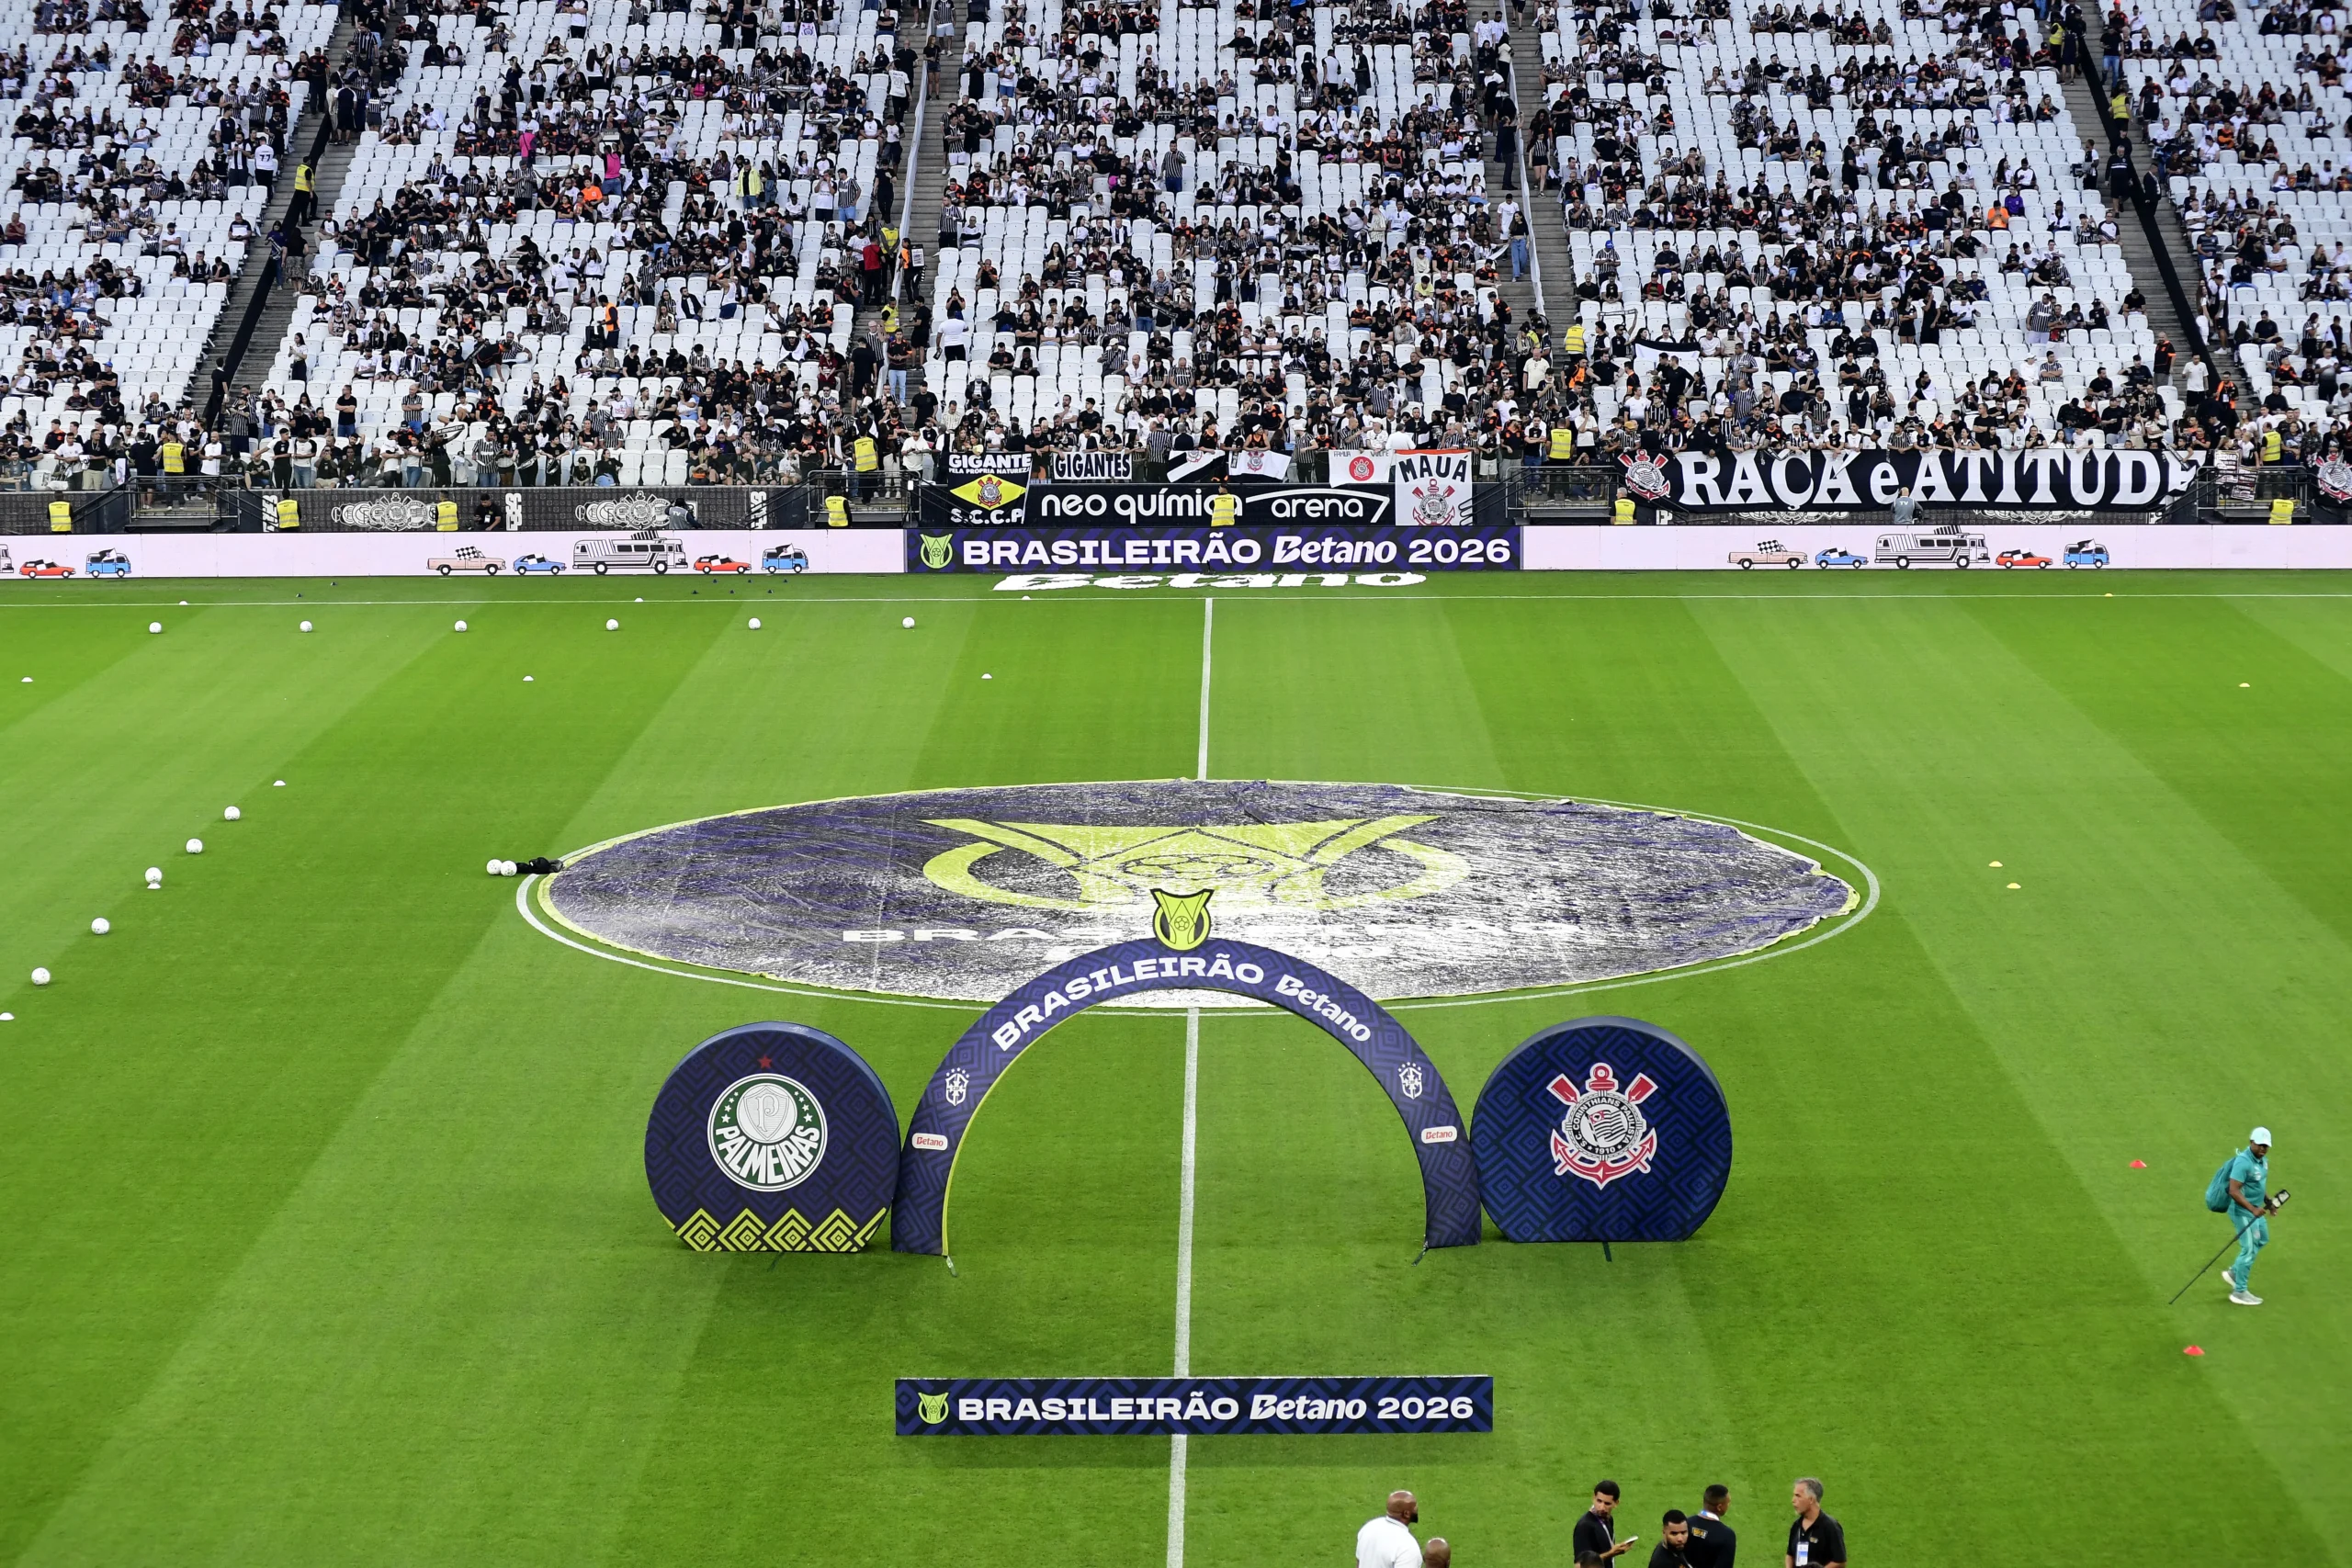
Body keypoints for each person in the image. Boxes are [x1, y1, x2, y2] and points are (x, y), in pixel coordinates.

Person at [2220, 1126, 2275, 1304]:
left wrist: (2268, 1202)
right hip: (2242, 1211)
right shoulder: (2243, 1162)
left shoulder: (2263, 1161)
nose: (2263, 1149)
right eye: (2260, 1145)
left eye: (2266, 1146)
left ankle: (2235, 1272)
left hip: (2255, 1209)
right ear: (2251, 1142)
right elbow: (2233, 1191)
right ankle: (2239, 1292)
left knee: (2263, 1239)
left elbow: (2259, 1184)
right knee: (2249, 1249)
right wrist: (2252, 1209)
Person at [1784, 1479, 1844, 1568]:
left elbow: (1840, 1561)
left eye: (1798, 1496)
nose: (1793, 1500)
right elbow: (1790, 1555)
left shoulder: (1830, 1526)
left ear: (1811, 1499)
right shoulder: (1796, 1526)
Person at [1358, 1490, 1422, 1568]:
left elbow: (1359, 1563)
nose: (1417, 1508)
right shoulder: (1407, 1545)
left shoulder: (1368, 1527)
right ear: (1406, 1514)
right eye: (1415, 1506)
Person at [1575, 1481, 1634, 1562]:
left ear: (1616, 1503)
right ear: (1593, 1498)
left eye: (1607, 1503)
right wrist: (1612, 1553)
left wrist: (1618, 1548)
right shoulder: (1585, 1526)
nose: (1602, 1507)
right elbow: (1581, 1564)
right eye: (1599, 1501)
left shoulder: (1609, 1519)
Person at [1686, 1485, 1736, 1568]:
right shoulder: (1727, 1535)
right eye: (1728, 1502)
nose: (1728, 1505)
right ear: (1719, 1507)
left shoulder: (1686, 1524)